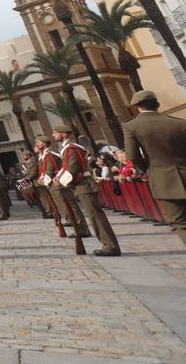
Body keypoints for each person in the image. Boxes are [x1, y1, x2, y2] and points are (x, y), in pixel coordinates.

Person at [123, 89, 186, 248]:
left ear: (137, 106)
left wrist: (148, 169)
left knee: (180, 222)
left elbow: (132, 156)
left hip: (163, 179)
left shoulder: (132, 126)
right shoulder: (179, 122)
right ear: (157, 104)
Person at [53, 125, 121, 257]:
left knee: (95, 215)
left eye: (56, 133)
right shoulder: (67, 148)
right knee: (94, 215)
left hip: (84, 185)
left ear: (65, 134)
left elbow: (73, 167)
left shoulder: (71, 148)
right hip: (80, 185)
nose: (54, 135)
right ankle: (108, 244)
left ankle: (110, 246)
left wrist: (62, 181)